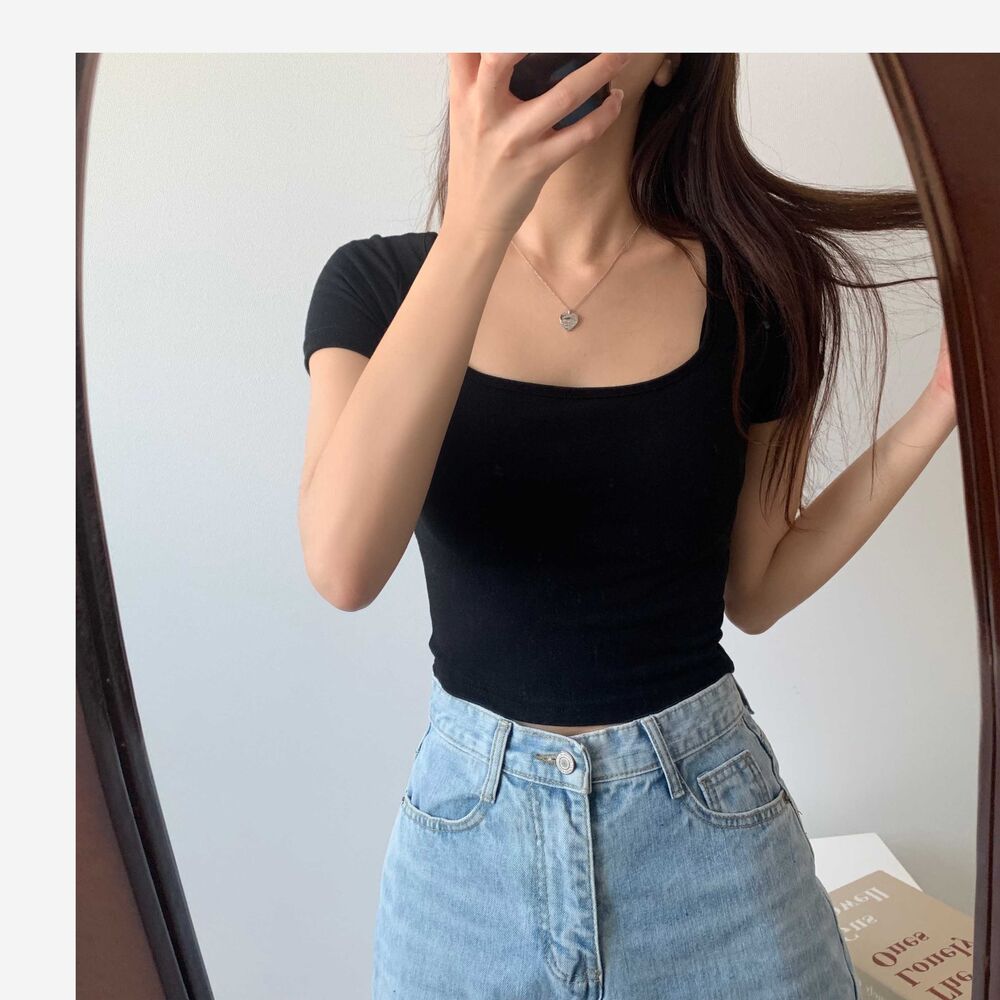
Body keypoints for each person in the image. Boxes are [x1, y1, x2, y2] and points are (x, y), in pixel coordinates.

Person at [298, 53, 956, 999]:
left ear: (671, 56)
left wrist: (943, 404)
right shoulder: (376, 284)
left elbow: (757, 587)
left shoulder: (757, 287)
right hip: (468, 860)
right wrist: (480, 222)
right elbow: (343, 564)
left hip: (712, 840)